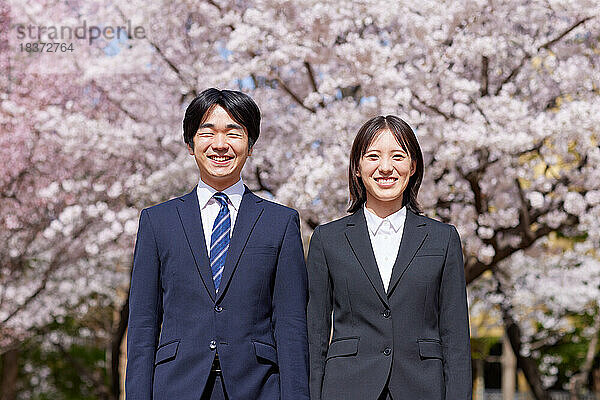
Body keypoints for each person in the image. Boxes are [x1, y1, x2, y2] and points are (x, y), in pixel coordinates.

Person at [126, 88, 309, 400]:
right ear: (190, 143)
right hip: (175, 386)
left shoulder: (280, 223)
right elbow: (143, 326)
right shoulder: (158, 222)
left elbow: (291, 326)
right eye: (207, 132)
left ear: (250, 145)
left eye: (233, 132)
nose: (220, 144)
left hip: (259, 386)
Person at [307, 115, 471, 400]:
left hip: (422, 388)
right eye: (373, 156)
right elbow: (315, 335)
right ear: (357, 167)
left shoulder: (443, 239)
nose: (385, 167)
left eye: (398, 156)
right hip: (345, 388)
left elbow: (455, 337)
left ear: (413, 165)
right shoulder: (327, 239)